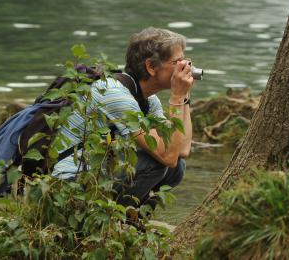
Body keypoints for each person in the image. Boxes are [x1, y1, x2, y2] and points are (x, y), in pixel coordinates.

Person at [51, 27, 194, 211]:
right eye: (178, 61)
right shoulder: (115, 94)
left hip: (92, 178)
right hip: (67, 187)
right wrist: (176, 97)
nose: (186, 67)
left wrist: (184, 96)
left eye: (185, 60)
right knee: (155, 162)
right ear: (151, 67)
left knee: (177, 169)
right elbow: (167, 156)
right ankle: (108, 221)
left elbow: (182, 149)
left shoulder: (149, 100)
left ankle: (132, 220)